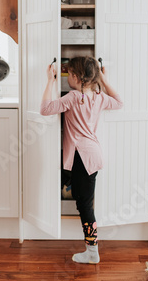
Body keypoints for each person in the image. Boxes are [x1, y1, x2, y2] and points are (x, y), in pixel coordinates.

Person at [40, 56, 123, 264]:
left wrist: (50, 80)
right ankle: (91, 248)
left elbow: (45, 109)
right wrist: (102, 79)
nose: (67, 77)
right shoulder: (98, 97)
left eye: (68, 74)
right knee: (81, 198)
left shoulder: (73, 97)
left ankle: (92, 251)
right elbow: (119, 102)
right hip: (90, 154)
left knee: (85, 206)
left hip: (81, 156)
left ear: (75, 77)